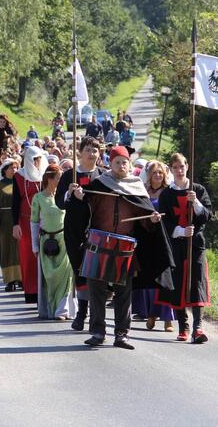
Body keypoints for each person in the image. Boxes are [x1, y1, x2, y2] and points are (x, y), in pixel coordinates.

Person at [70, 146, 174, 350]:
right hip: (98, 243)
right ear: (111, 163)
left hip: (126, 245)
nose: (121, 165)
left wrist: (152, 220)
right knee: (96, 290)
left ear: (129, 164)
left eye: (124, 162)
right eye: (117, 162)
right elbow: (85, 209)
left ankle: (121, 334)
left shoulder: (136, 187)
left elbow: (144, 220)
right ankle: (98, 332)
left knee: (124, 292)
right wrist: (80, 197)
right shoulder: (100, 184)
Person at [155, 153, 211, 343]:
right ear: (170, 169)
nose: (179, 171)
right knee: (178, 284)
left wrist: (195, 202)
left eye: (182, 167)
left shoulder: (198, 190)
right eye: (175, 167)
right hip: (176, 246)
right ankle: (183, 326)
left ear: (187, 166)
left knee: (196, 283)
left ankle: (198, 328)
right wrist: (179, 231)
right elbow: (164, 222)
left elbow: (206, 217)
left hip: (196, 245)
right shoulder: (167, 195)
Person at [56, 136, 103, 332]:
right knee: (79, 269)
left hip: (96, 230)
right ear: (80, 152)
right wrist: (69, 194)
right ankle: (81, 313)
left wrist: (88, 199)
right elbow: (59, 202)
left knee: (94, 272)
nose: (91, 154)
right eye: (88, 150)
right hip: (74, 230)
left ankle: (93, 314)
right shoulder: (69, 176)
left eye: (95, 151)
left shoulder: (102, 176)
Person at [131, 160, 175, 331]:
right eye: (154, 173)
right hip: (147, 241)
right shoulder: (143, 192)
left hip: (165, 240)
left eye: (160, 173)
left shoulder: (169, 193)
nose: (157, 175)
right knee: (149, 280)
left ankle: (167, 318)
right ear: (149, 175)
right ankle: (150, 314)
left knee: (165, 279)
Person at [31, 164, 77, 320]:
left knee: (66, 277)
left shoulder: (65, 196)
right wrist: (35, 244)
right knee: (50, 278)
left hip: (64, 241)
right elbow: (34, 222)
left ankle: (63, 310)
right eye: (58, 178)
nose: (61, 180)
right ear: (49, 179)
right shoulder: (38, 198)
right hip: (46, 242)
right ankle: (51, 307)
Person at [12, 146, 48, 303]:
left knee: (47, 255)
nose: (37, 162)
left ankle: (46, 291)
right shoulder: (20, 176)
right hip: (25, 222)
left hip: (46, 221)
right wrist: (15, 224)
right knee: (28, 257)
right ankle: (31, 292)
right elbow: (14, 202)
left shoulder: (47, 174)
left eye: (39, 159)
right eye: (34, 159)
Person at [0, 158, 22, 290]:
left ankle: (21, 278)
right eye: (11, 168)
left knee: (20, 250)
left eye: (15, 167)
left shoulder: (21, 183)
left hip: (19, 221)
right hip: (5, 222)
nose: (14, 170)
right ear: (4, 170)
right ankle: (10, 280)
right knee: (7, 250)